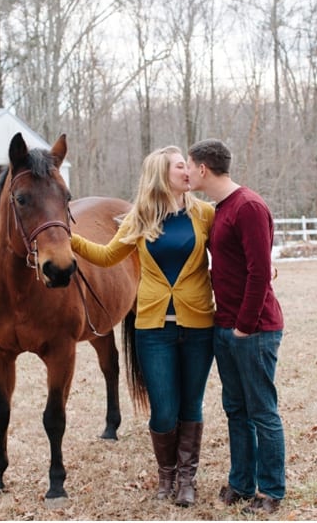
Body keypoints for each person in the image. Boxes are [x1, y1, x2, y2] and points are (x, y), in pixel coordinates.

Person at [70, 146, 215, 507]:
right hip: (153, 328)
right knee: (163, 408)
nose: (188, 171)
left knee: (191, 405)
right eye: (180, 166)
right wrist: (62, 237)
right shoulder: (139, 218)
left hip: (198, 322)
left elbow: (231, 250)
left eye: (187, 166)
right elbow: (106, 256)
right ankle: (165, 477)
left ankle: (186, 480)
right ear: (161, 175)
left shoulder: (205, 214)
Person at [187, 139, 286, 515]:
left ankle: (272, 490)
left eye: (189, 164)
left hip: (255, 329)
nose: (187, 171)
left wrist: (244, 327)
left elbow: (260, 270)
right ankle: (242, 483)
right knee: (236, 409)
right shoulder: (221, 208)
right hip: (224, 326)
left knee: (262, 411)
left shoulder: (248, 206)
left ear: (203, 169)